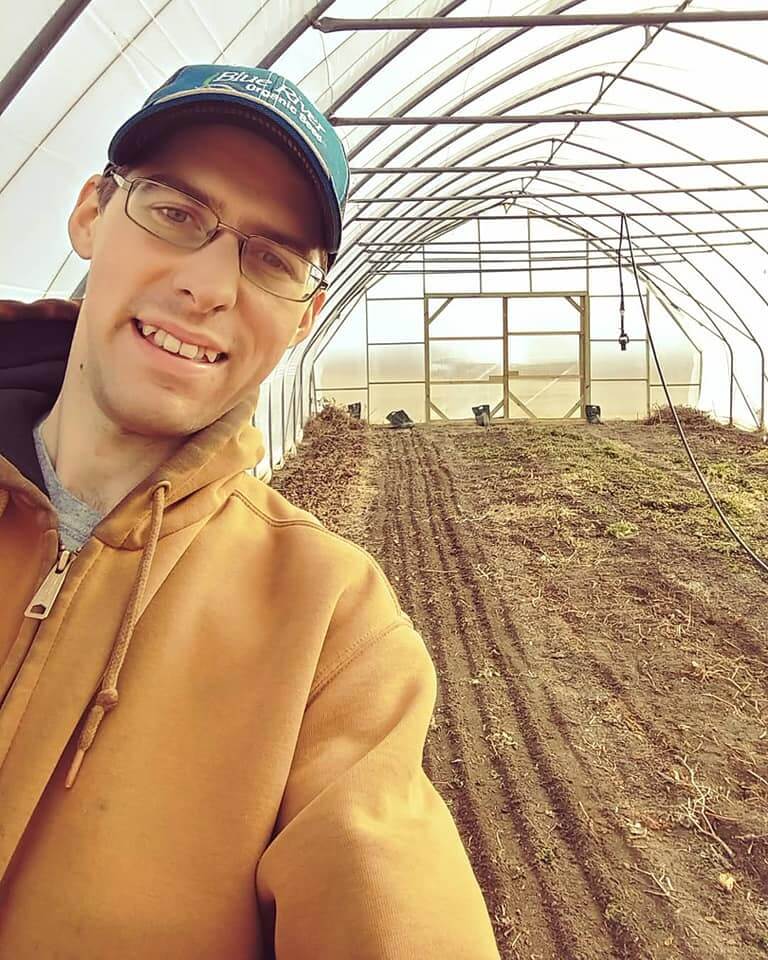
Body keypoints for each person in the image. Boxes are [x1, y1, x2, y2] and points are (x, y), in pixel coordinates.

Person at [0, 65, 500, 958]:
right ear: (88, 213)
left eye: (271, 258)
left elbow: (387, 894)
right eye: (176, 212)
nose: (210, 286)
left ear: (304, 318)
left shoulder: (329, 624)